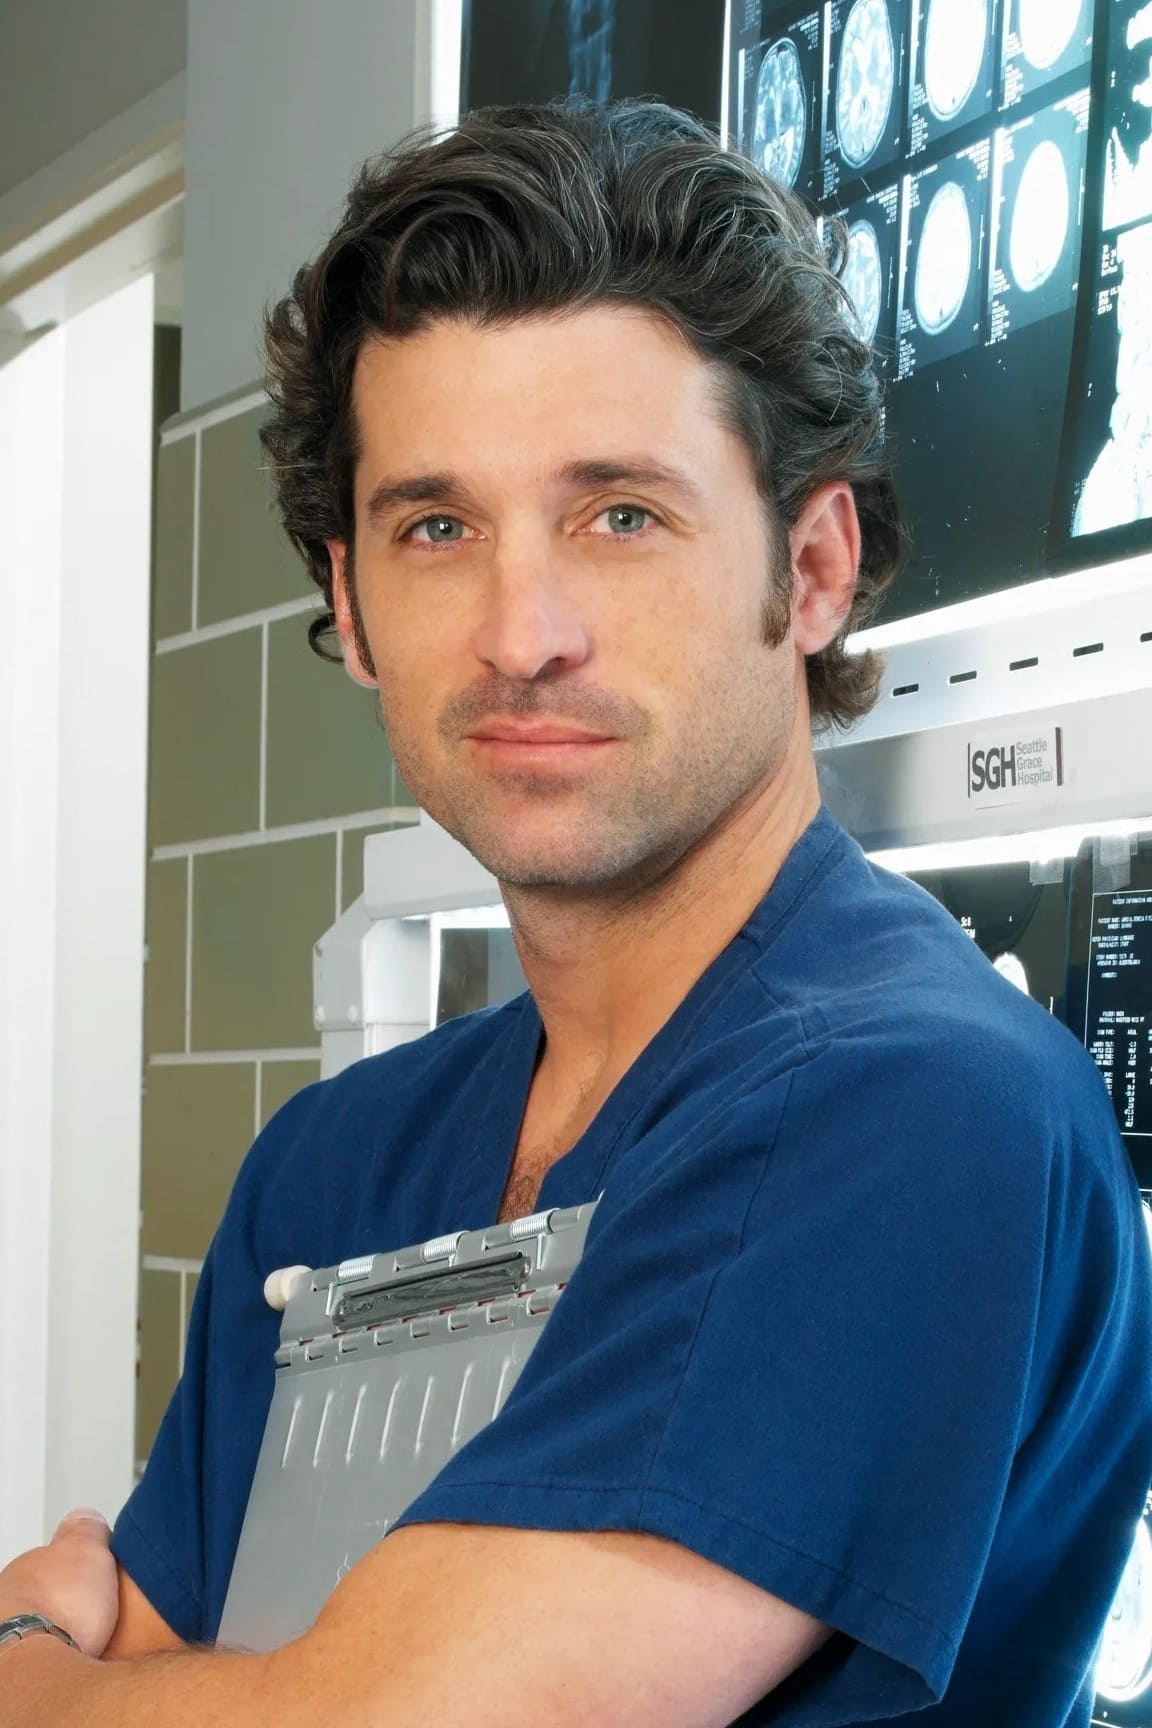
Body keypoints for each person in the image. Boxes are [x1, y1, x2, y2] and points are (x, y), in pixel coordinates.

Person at [1, 98, 1150, 1728]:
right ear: (349, 604)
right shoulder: (333, 1166)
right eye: (437, 527)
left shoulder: (914, 1106)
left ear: (814, 569)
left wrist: (21, 1664)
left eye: (620, 515)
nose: (521, 631)